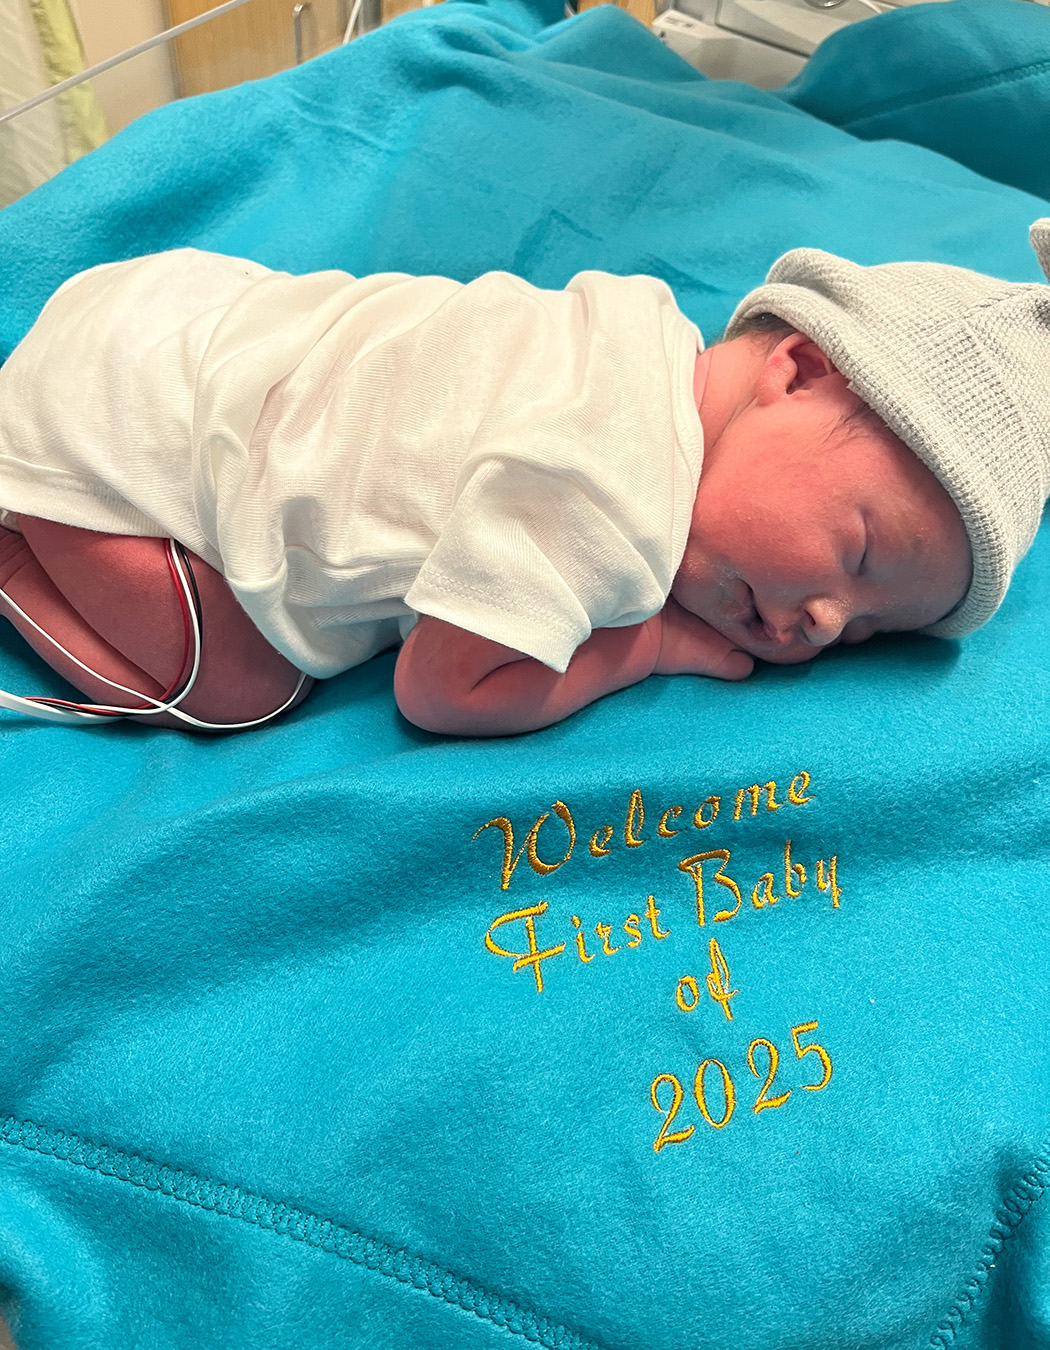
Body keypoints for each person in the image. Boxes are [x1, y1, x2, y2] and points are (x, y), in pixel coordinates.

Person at [0, 221, 1046, 735]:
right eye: (859, 556)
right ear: (799, 370)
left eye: (868, 628)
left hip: (177, 318)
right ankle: (15, 528)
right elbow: (444, 688)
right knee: (243, 685)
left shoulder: (636, 326)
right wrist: (639, 648)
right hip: (114, 434)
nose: (822, 623)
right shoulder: (619, 500)